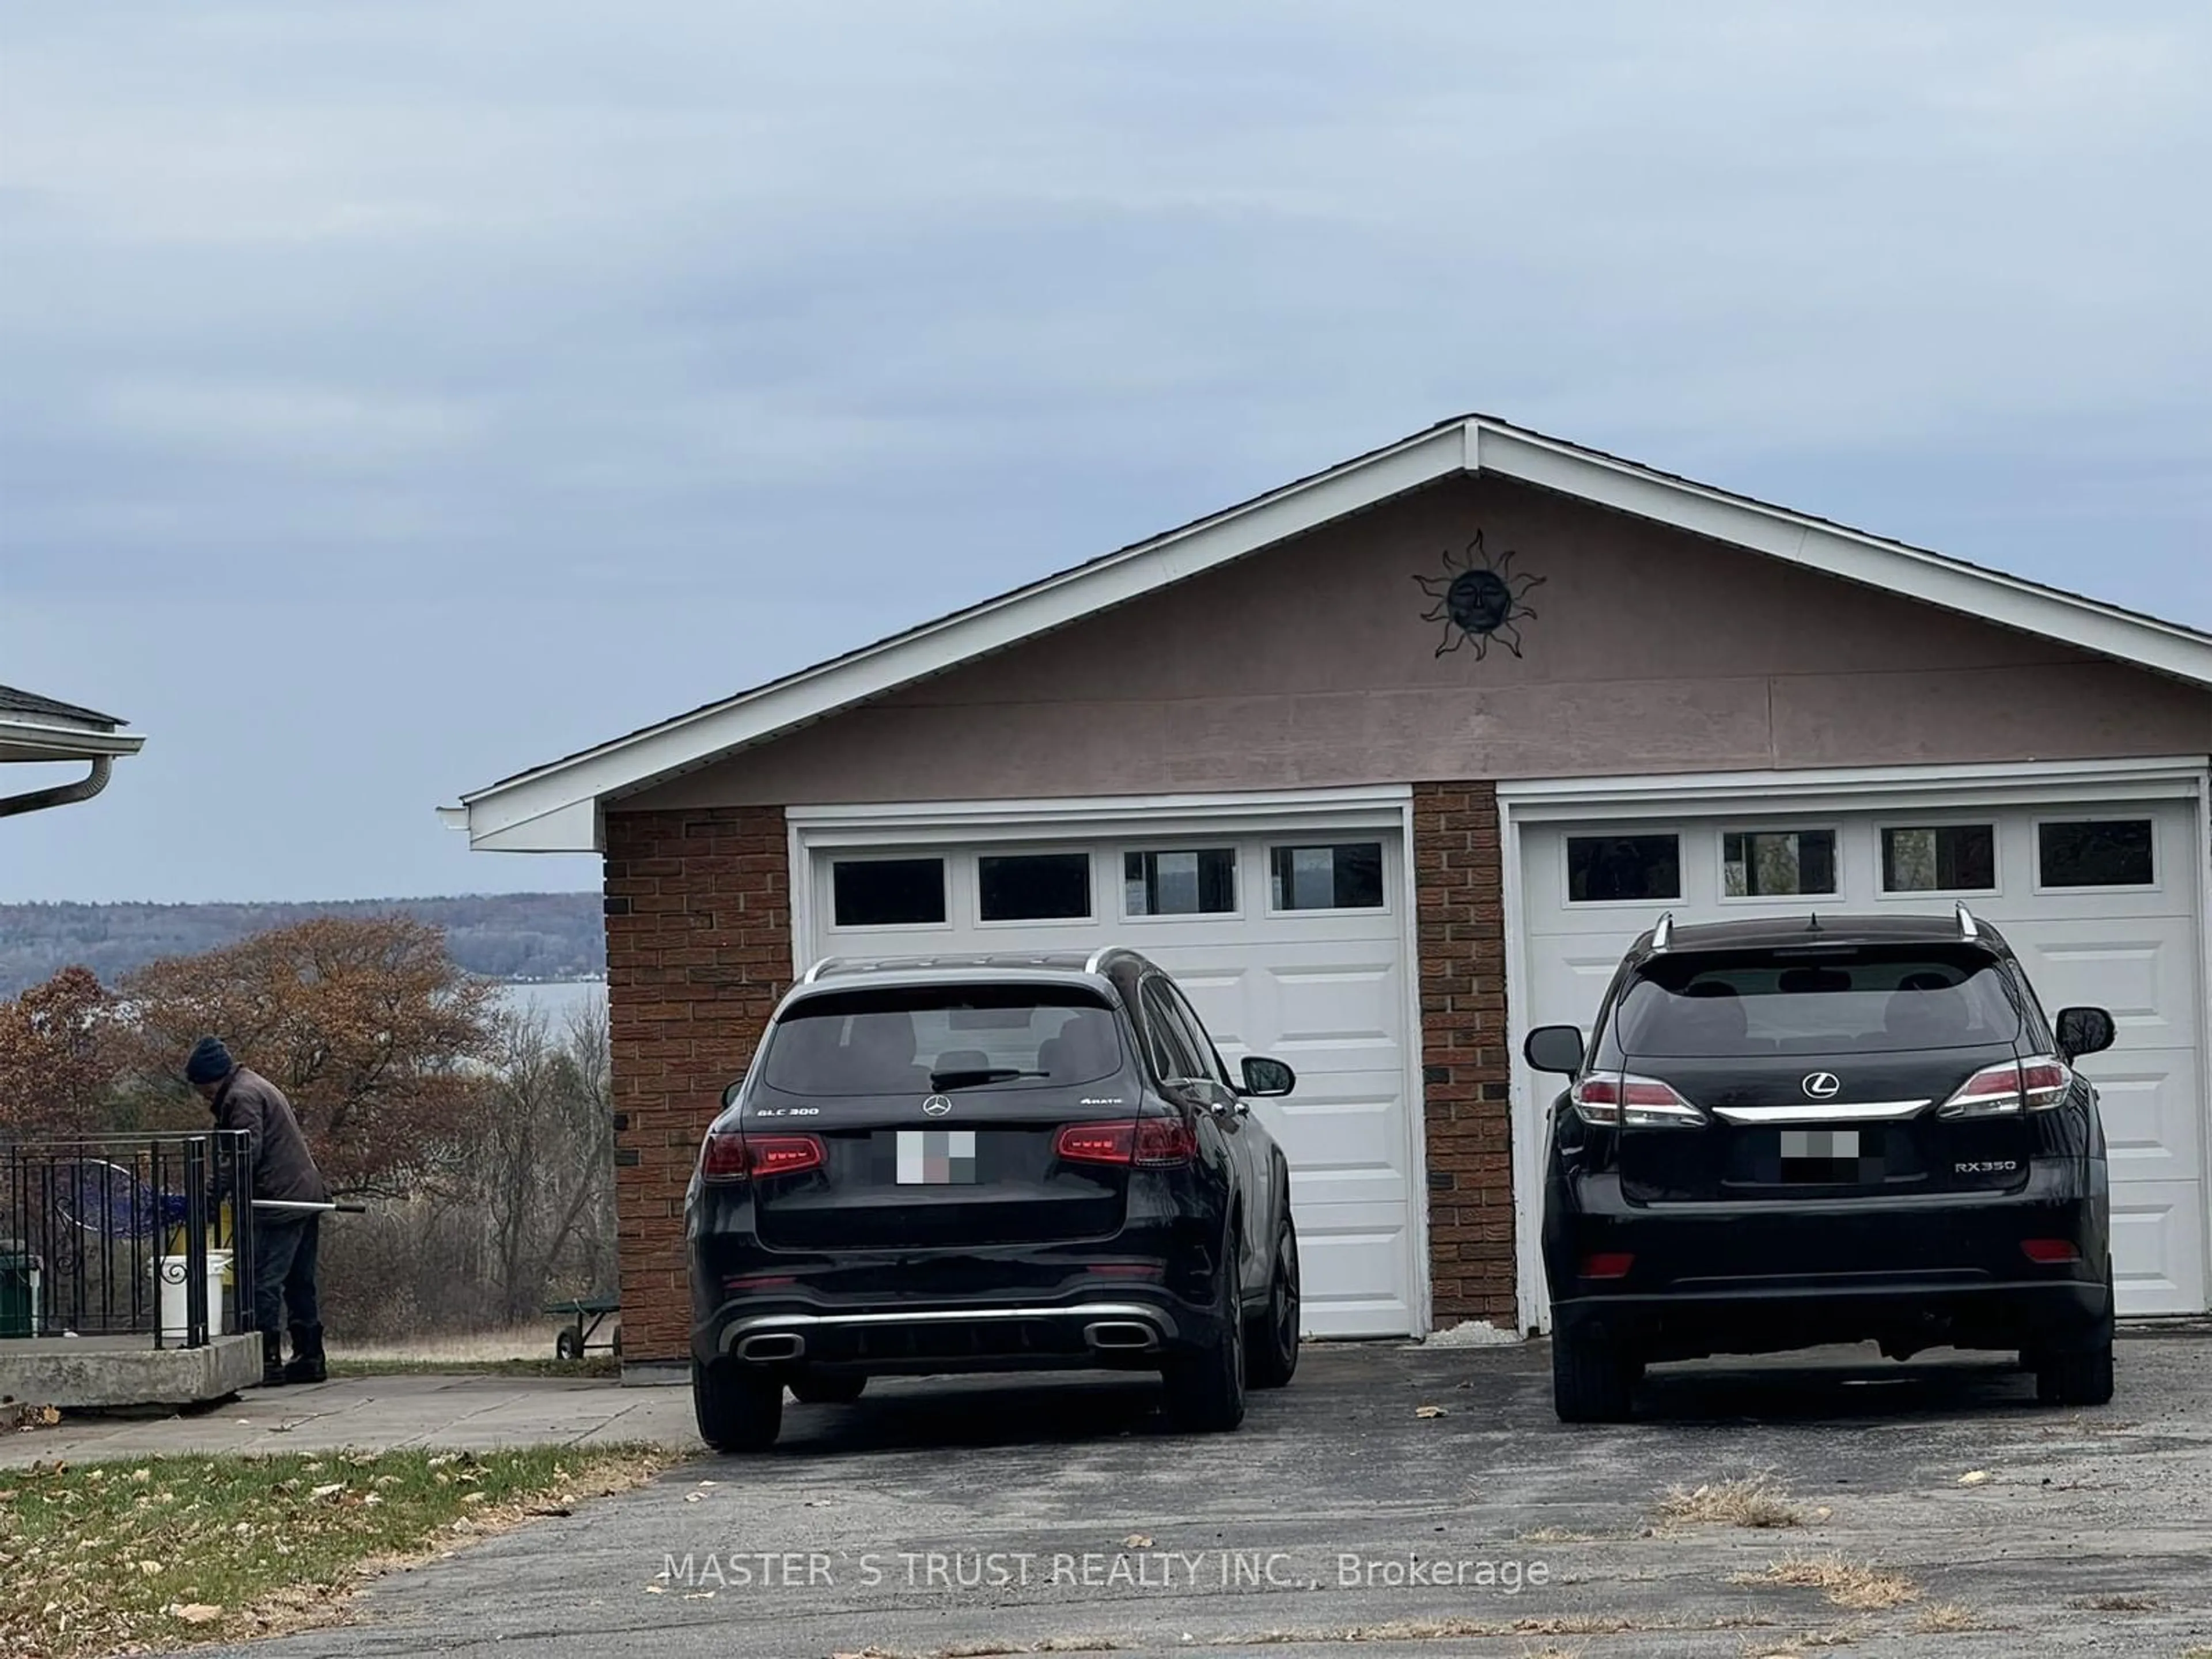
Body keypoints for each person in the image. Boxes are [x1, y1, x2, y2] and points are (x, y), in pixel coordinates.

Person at [185, 1036, 330, 1386]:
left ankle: (265, 1361)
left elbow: (241, 1154)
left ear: (211, 1080)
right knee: (299, 1282)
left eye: (201, 1088)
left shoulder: (241, 1097)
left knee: (263, 1281)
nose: (201, 1095)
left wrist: (209, 1198)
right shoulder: (254, 1085)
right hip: (306, 1194)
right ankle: (309, 1356)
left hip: (279, 1200)